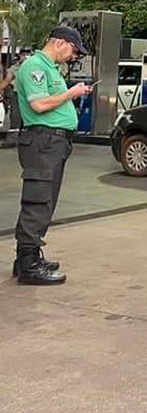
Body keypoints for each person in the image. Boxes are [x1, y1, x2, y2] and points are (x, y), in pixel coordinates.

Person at [11, 26, 93, 285]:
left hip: (53, 142)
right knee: (38, 199)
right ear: (59, 43)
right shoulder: (34, 67)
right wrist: (71, 93)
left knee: (45, 199)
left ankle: (28, 256)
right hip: (42, 141)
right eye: (73, 50)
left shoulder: (51, 69)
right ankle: (29, 266)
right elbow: (38, 104)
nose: (73, 56)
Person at [1, 48, 31, 145]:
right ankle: (12, 140)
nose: (25, 57)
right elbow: (7, 80)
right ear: (19, 56)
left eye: (27, 54)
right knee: (15, 117)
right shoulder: (15, 68)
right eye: (23, 54)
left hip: (32, 95)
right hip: (17, 94)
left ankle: (26, 139)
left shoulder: (34, 66)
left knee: (29, 118)